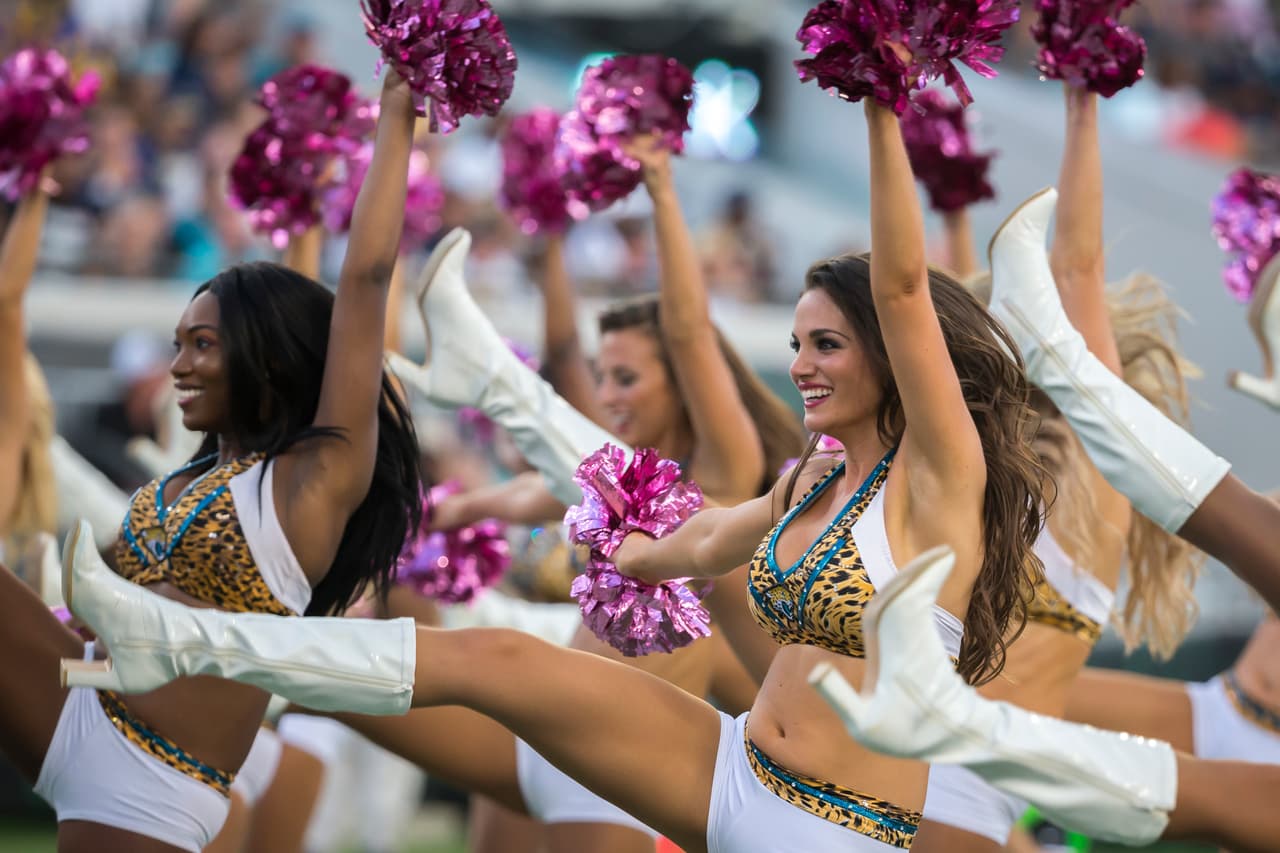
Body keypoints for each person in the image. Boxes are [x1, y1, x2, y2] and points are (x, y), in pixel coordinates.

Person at [60, 95, 1048, 853]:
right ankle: (178, 639)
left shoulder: (940, 479)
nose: (798, 365)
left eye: (826, 343)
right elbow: (700, 540)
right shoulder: (809, 483)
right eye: (793, 343)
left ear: (888, 355)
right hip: (735, 771)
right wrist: (627, 545)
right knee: (500, 659)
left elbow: (903, 285)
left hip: (840, 822)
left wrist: (878, 105)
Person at [2, 69, 423, 853]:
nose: (179, 366)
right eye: (177, 346)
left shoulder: (310, 479)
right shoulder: (186, 477)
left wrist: (396, 111)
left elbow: (364, 282)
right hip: (77, 705)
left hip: (157, 776)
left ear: (264, 357)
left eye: (203, 344)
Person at [810, 187, 1280, 853]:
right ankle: (949, 721)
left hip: (957, 801)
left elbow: (1074, 273)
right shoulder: (946, 491)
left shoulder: (1082, 516)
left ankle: (951, 723)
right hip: (1214, 713)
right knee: (1205, 798)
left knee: (1205, 800)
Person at [371, 134, 804, 853]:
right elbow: (538, 485)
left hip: (618, 757)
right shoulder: (614, 487)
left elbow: (692, 331)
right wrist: (462, 508)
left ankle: (483, 370)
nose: (609, 395)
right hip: (543, 731)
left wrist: (662, 191)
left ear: (687, 384)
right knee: (340, 669)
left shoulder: (726, 469)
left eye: (627, 378)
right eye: (604, 379)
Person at [917, 85, 1202, 851]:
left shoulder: (1093, 500)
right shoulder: (974, 489)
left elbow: (1077, 270)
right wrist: (948, 204)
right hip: (871, 778)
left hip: (959, 801)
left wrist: (1083, 97)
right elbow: (938, 338)